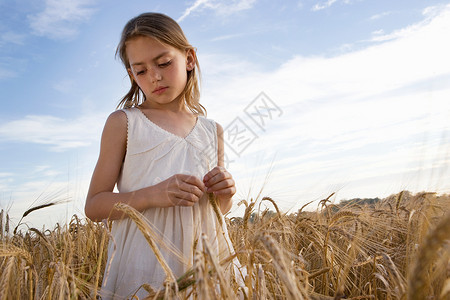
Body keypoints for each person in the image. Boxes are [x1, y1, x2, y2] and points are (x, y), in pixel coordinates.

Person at [85, 12, 243, 299]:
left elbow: (217, 210)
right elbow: (94, 206)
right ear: (132, 75)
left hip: (205, 261)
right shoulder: (124, 122)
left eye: (164, 63)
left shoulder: (213, 130)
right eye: (141, 70)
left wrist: (226, 193)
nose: (155, 76)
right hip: (144, 261)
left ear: (190, 59)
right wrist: (151, 195)